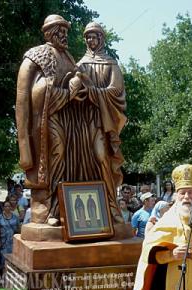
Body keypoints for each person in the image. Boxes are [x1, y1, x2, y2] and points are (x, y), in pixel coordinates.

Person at [16, 14, 78, 226]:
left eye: (66, 31)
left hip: (71, 121)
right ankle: (50, 209)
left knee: (70, 161)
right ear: (50, 32)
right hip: (45, 121)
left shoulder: (69, 57)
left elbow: (78, 83)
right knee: (55, 156)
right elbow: (24, 98)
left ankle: (67, 209)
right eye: (60, 31)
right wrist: (23, 143)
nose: (64, 35)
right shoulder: (36, 55)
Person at [75, 21, 127, 222]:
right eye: (87, 36)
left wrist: (94, 92)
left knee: (102, 158)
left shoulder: (111, 63)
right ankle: (81, 213)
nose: (90, 40)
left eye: (94, 36)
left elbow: (117, 91)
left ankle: (111, 206)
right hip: (81, 122)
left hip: (101, 122)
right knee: (81, 162)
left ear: (101, 38)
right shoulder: (79, 64)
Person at [0, 200, 20, 269]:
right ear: (3, 207)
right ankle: (4, 273)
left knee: (13, 258)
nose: (7, 207)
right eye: (5, 206)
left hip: (13, 241)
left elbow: (19, 229)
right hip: (3, 241)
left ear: (11, 207)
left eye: (9, 206)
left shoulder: (15, 217)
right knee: (3, 258)